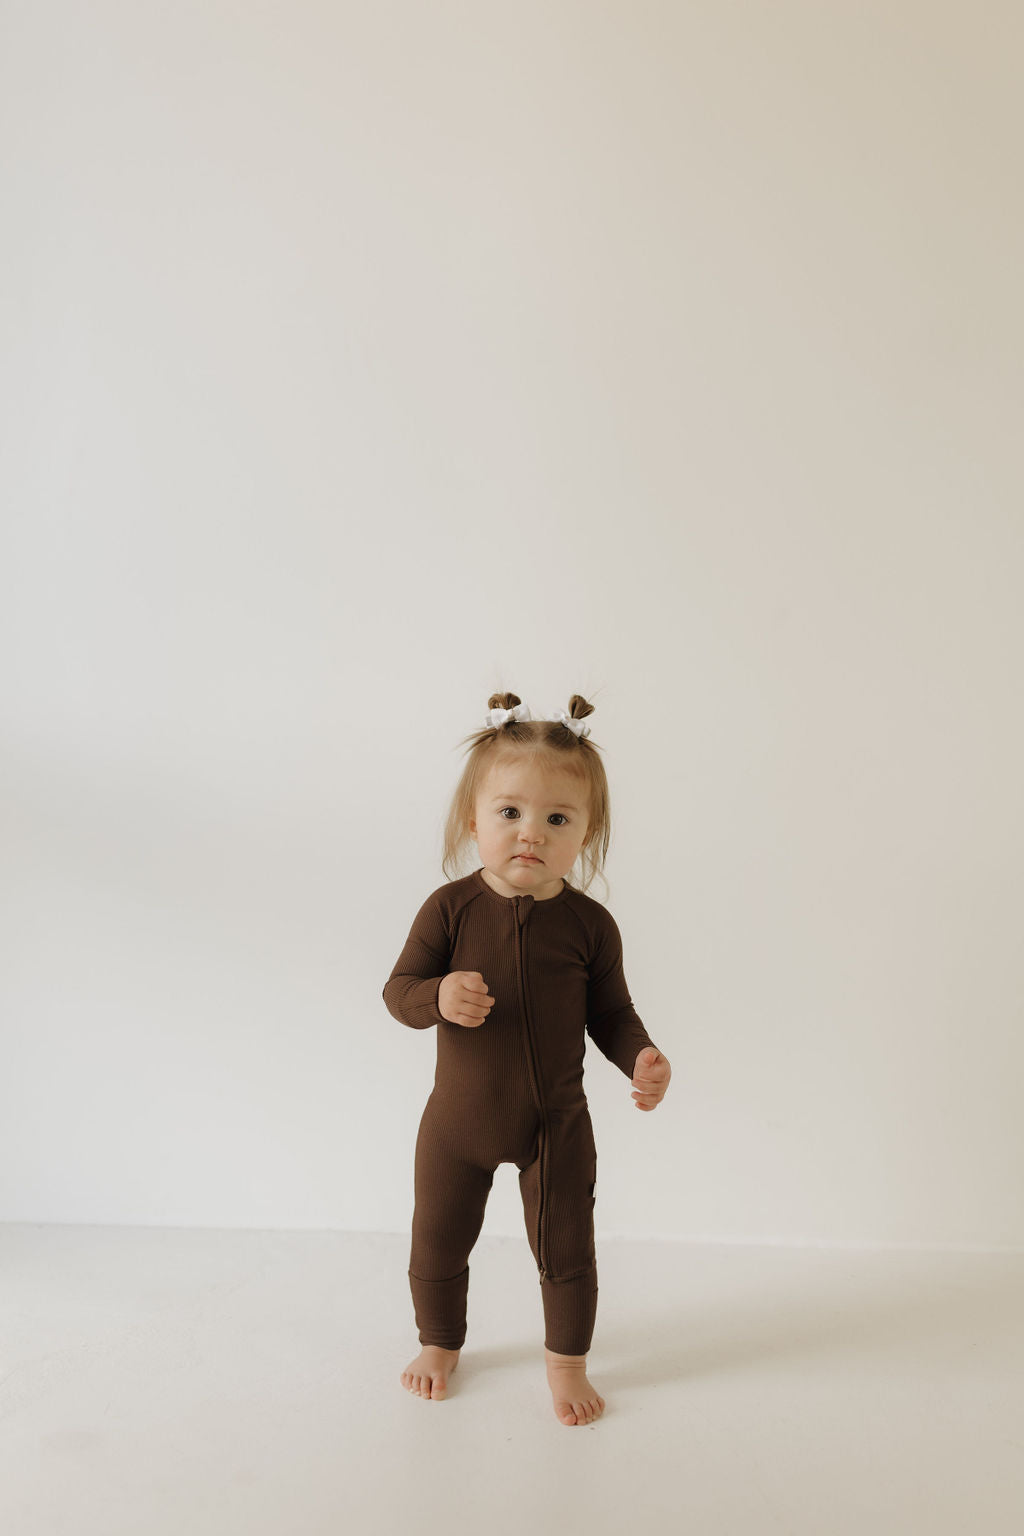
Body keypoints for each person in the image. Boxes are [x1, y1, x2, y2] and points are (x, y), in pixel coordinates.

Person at [382, 691, 672, 1426]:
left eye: (557, 818)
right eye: (509, 812)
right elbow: (398, 992)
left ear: (586, 832)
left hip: (557, 1127)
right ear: (472, 819)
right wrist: (439, 996)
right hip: (457, 1125)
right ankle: (440, 1342)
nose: (530, 833)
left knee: (568, 1249)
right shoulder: (448, 910)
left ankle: (566, 1364)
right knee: (438, 1241)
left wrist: (640, 1056)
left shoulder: (589, 926)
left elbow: (611, 1013)